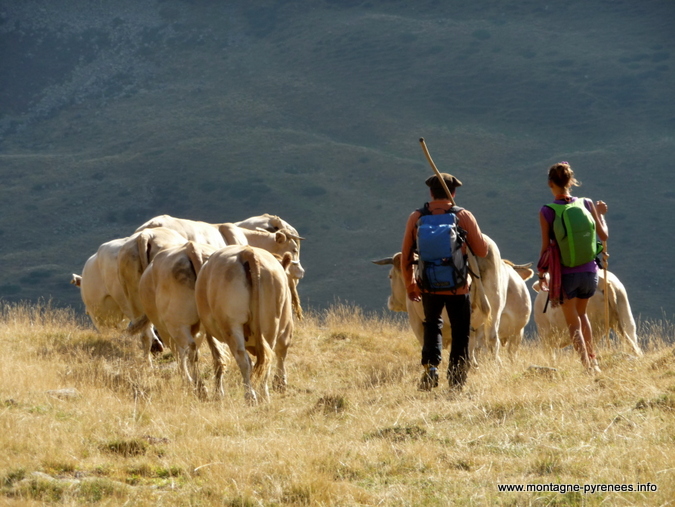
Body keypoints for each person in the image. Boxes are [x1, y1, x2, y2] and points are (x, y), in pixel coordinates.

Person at [401, 173, 489, 391]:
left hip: (428, 285)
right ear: (453, 193)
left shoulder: (417, 217)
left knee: (432, 325)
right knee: (461, 330)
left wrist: (411, 285)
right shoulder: (463, 215)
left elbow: (406, 257)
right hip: (458, 286)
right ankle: (457, 378)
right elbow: (482, 250)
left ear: (431, 193)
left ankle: (431, 369)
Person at [537, 161, 608, 373]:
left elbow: (545, 247)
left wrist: (542, 273)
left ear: (550, 183)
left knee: (573, 323)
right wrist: (601, 215)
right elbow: (603, 236)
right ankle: (593, 360)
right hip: (589, 272)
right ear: (571, 182)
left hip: (566, 274)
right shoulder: (587, 203)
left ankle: (587, 365)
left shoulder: (547, 211)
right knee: (583, 315)